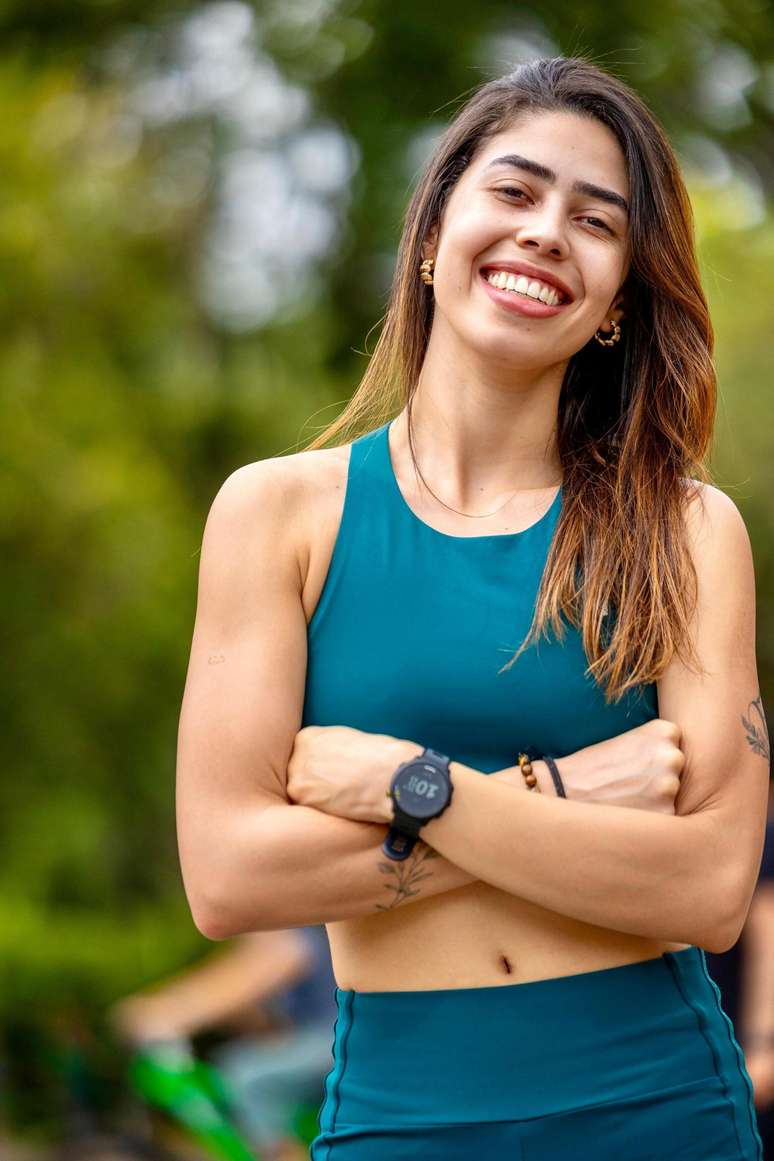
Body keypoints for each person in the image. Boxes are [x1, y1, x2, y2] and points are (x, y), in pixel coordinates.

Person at [176, 55, 770, 1159]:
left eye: (596, 221)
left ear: (617, 302)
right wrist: (564, 792)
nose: (545, 232)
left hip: (658, 1110)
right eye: (514, 190)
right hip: (399, 1121)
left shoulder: (687, 530)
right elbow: (229, 876)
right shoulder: (277, 515)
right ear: (432, 233)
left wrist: (417, 788)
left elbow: (710, 888)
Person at [110, 926, 336, 1160]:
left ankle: (283, 1155)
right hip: (322, 1041)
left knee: (249, 1075)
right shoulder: (269, 936)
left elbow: (252, 975)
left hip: (334, 1040)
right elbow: (245, 996)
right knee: (237, 1064)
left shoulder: (285, 931)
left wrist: (170, 1011)